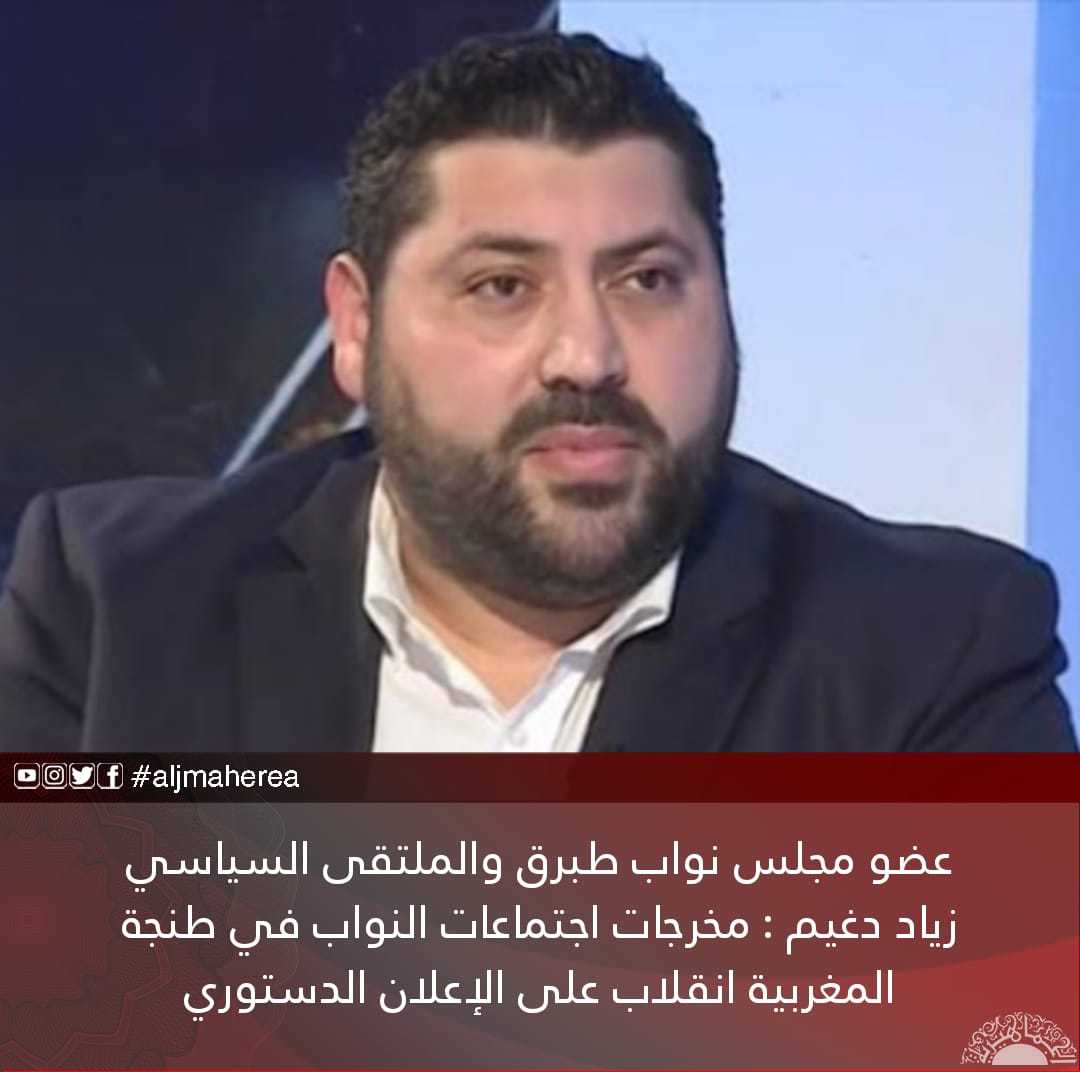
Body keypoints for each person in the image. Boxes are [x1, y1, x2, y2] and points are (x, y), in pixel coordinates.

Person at [0, 32, 1074, 751]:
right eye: (502, 287)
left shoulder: (929, 656)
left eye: (646, 280)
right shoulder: (118, 609)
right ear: (358, 326)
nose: (587, 355)